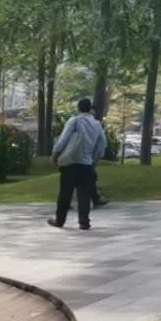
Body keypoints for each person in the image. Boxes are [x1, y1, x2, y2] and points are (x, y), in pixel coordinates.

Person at [48, 97, 107, 230]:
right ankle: (84, 222)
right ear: (90, 109)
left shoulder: (74, 121)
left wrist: (55, 155)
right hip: (87, 164)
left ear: (78, 108)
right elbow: (102, 143)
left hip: (71, 163)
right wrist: (96, 159)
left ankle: (60, 220)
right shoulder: (97, 124)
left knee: (65, 193)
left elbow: (63, 139)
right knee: (84, 195)